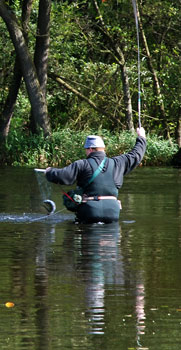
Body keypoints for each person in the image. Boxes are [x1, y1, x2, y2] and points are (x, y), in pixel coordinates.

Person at [45, 127, 146, 223]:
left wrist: (49, 171)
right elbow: (136, 154)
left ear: (90, 149)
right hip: (112, 213)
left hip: (89, 212)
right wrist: (141, 137)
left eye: (86, 150)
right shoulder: (118, 163)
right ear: (103, 149)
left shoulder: (82, 164)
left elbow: (63, 176)